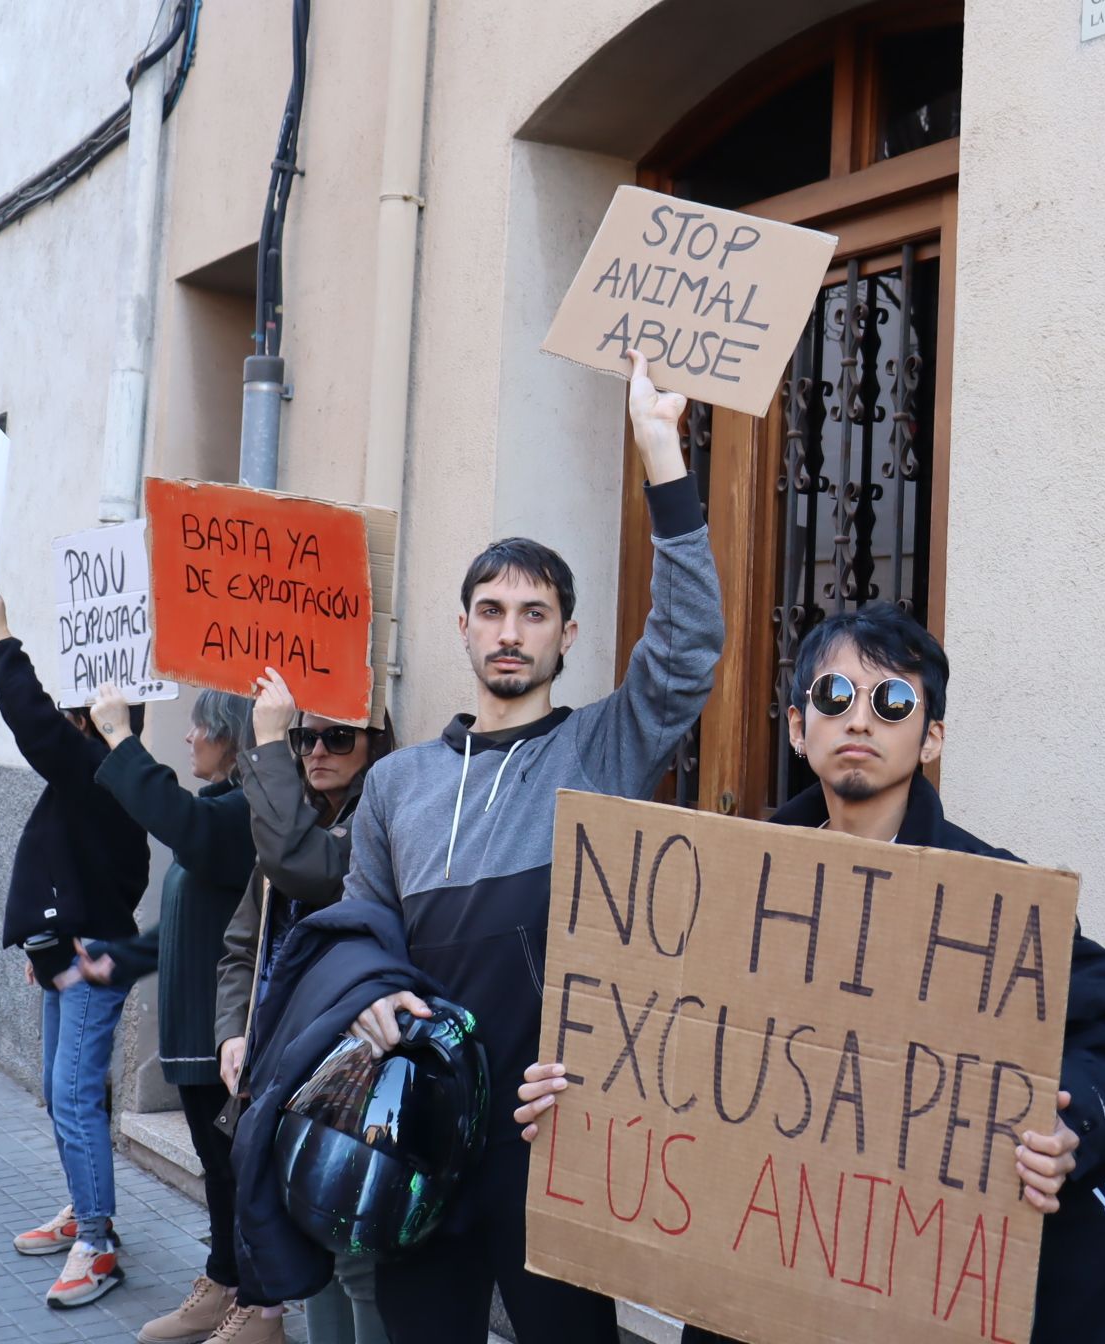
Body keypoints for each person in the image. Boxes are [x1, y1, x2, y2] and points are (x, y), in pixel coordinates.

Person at [232, 348, 723, 1342]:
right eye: (493, 612)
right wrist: (368, 1002)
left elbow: (687, 649)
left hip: (557, 1142)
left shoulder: (605, 746)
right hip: (415, 1132)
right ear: (462, 629)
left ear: (567, 636)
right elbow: (359, 927)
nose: (511, 631)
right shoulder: (400, 782)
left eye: (533, 614)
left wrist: (660, 449)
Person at [516, 603, 1105, 1344]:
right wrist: (581, 1092)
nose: (859, 720)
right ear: (799, 728)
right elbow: (670, 1038)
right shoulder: (728, 886)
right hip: (758, 1296)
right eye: (835, 698)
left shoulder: (995, 898)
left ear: (931, 739)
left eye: (892, 701)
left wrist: (1069, 1126)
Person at [0, 582, 152, 1309]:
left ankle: (99, 1244)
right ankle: (84, 1211)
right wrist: (45, 938)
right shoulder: (96, 783)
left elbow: (34, 725)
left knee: (73, 1095)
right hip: (65, 956)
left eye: (83, 710)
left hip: (88, 961)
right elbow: (70, 862)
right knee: (63, 1094)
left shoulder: (101, 773)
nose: (72, 717)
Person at [209, 667, 397, 1344]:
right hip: (282, 1069)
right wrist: (233, 1032)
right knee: (314, 1250)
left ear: (376, 746)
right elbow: (239, 947)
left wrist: (264, 743)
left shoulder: (376, 824)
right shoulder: (293, 822)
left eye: (337, 738)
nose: (315, 751)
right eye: (304, 738)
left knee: (357, 1259)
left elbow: (310, 866)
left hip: (349, 1074)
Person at [71, 685, 258, 1342]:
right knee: (219, 1172)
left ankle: (255, 1308)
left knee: (235, 1176)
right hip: (194, 1041)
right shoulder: (215, 816)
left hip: (223, 1042)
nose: (188, 738)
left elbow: (180, 822)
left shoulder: (238, 816)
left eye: (198, 727)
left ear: (230, 736)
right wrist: (115, 960)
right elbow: (174, 925)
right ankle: (225, 1283)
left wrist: (121, 736)